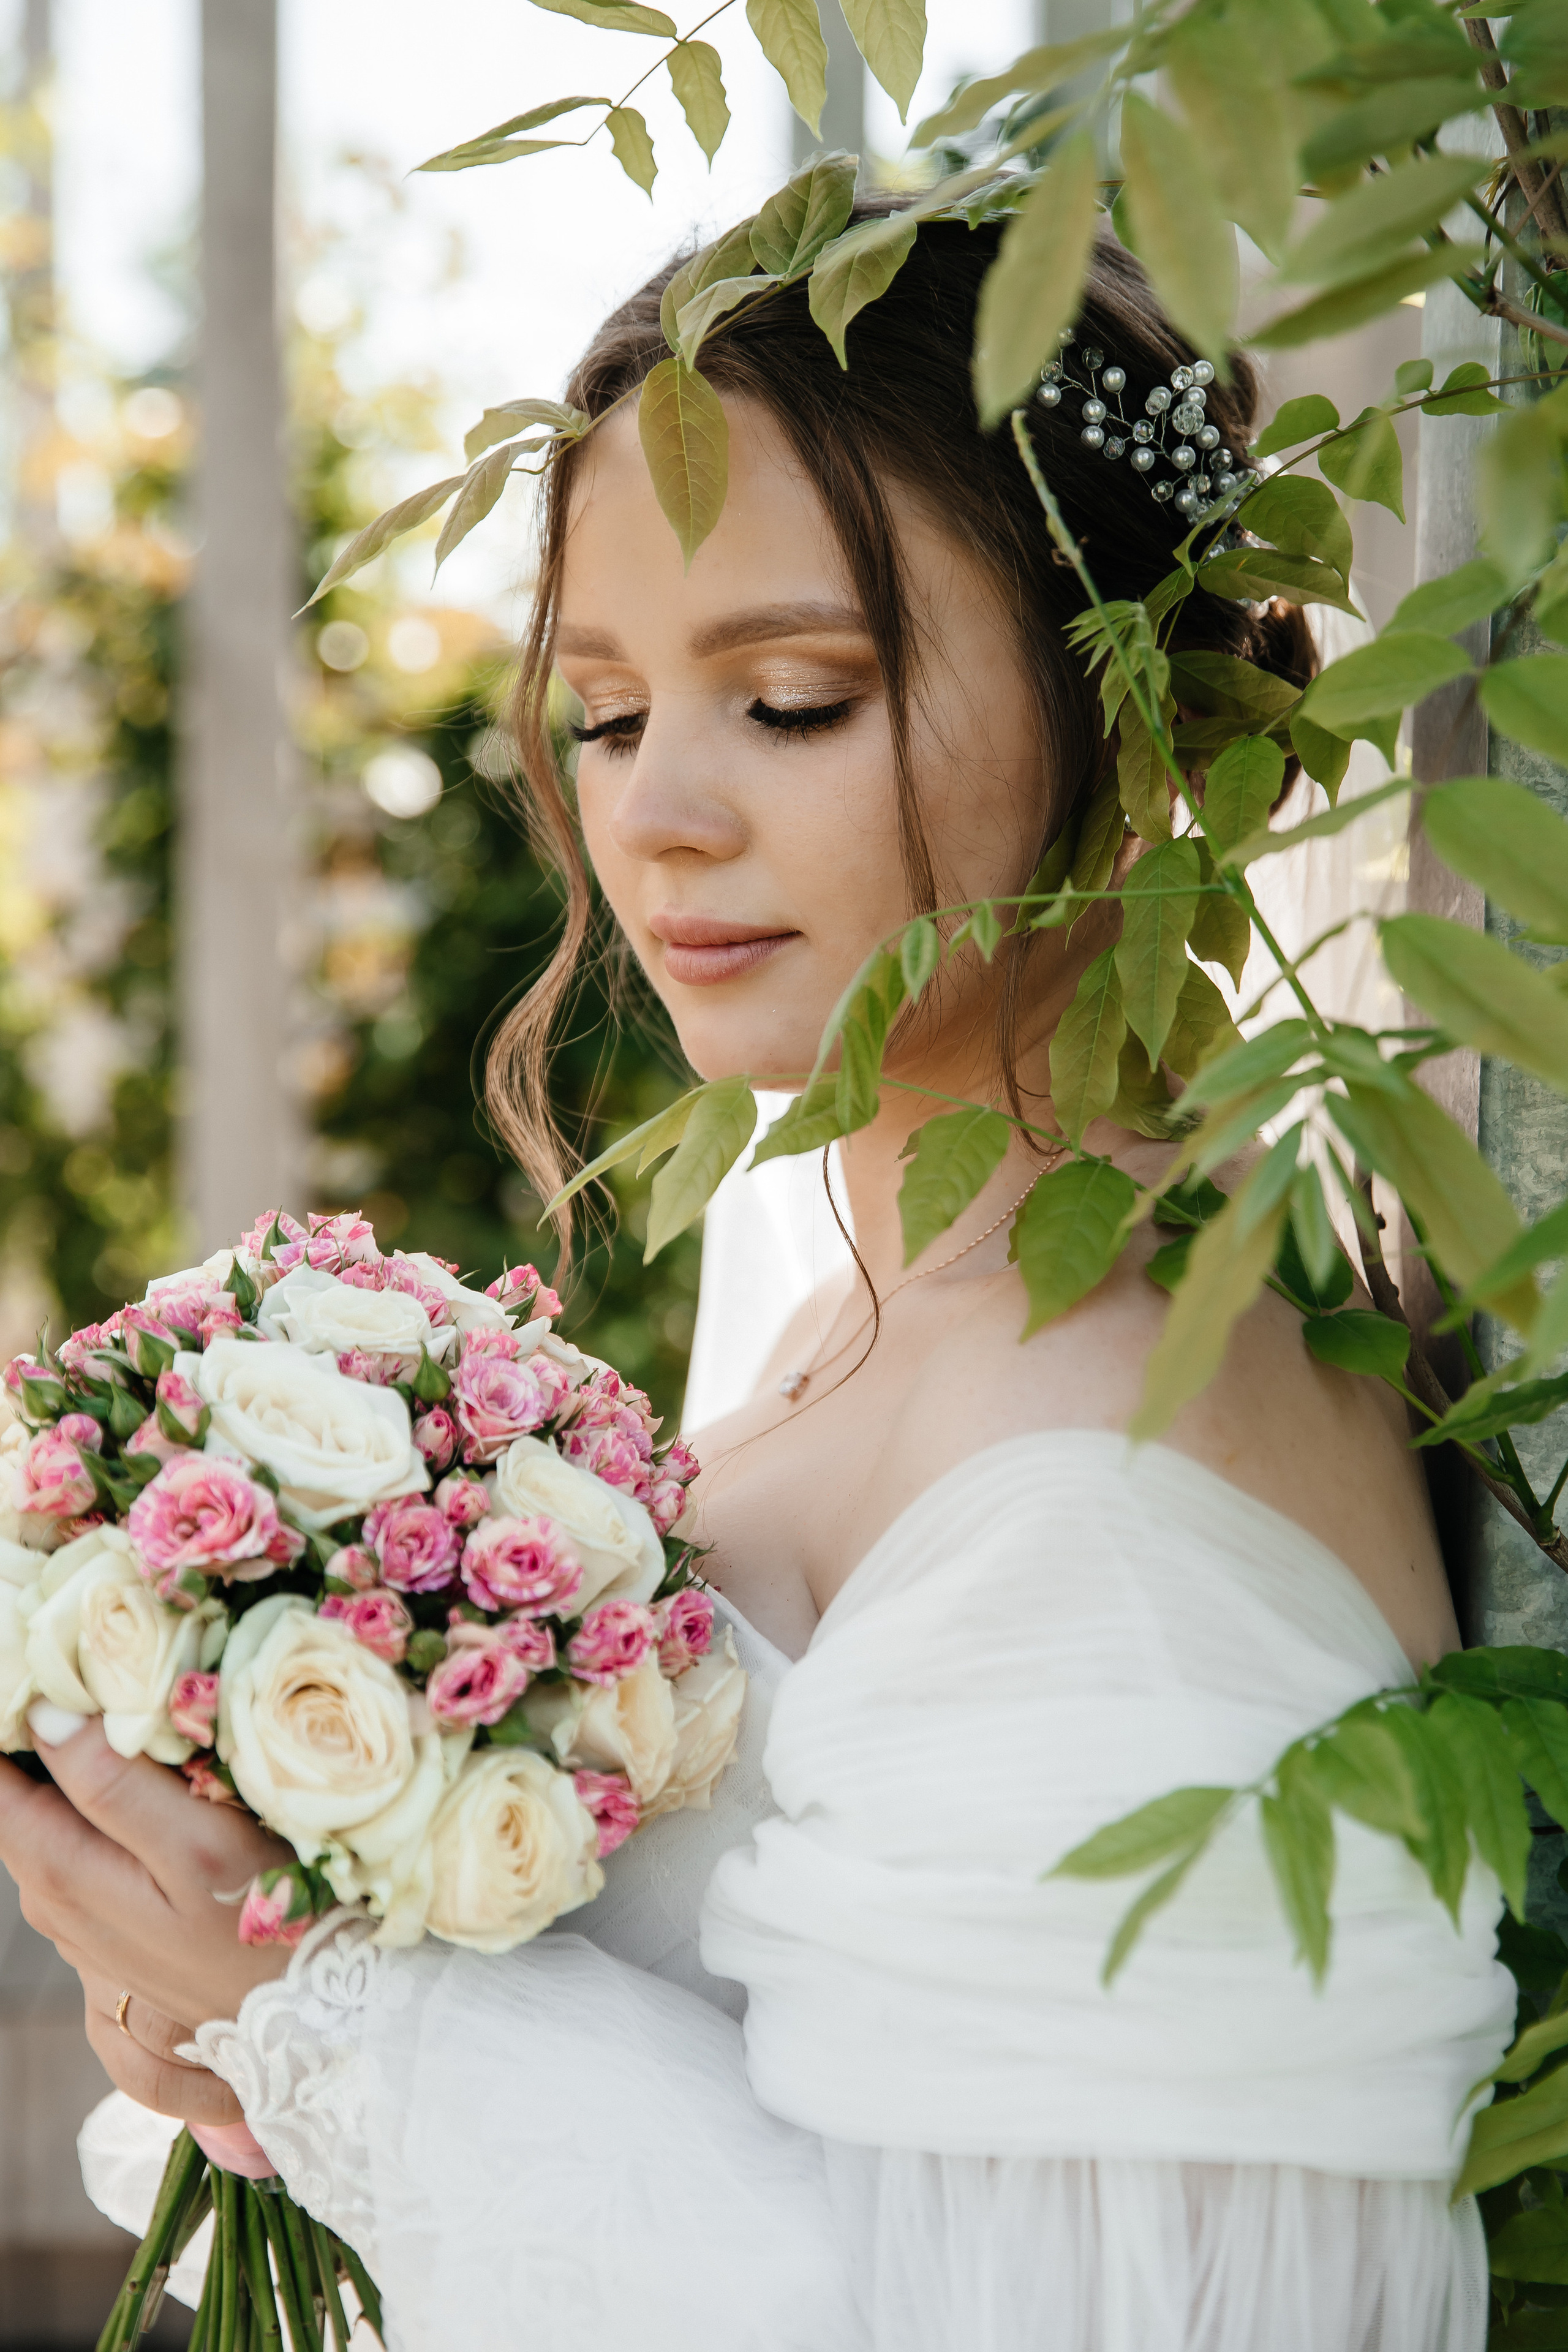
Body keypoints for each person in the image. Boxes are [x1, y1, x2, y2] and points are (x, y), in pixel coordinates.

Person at [0, 207, 1512, 2352]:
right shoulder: (845, 1309)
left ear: (1140, 706)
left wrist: (330, 2012)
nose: (662, 819)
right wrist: (259, 2043)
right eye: (608, 715)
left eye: (794, 699)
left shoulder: (1114, 1477)